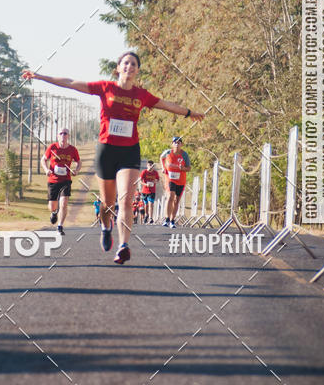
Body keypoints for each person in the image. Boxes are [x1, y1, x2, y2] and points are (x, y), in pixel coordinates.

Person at [22, 52, 203, 264]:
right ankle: (106, 226)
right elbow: (70, 83)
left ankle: (123, 246)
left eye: (134, 64)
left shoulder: (141, 95)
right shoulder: (105, 88)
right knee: (108, 204)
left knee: (125, 200)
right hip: (107, 151)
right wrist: (40, 76)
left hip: (129, 152)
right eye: (125, 63)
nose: (129, 66)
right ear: (118, 68)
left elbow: (167, 105)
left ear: (137, 70)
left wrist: (190, 113)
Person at [41, 129, 81, 236]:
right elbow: (43, 159)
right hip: (53, 180)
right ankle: (54, 212)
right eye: (61, 133)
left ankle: (60, 226)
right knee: (52, 206)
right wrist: (46, 170)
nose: (63, 135)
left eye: (65, 133)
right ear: (57, 136)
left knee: (63, 203)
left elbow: (78, 162)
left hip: (66, 180)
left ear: (68, 136)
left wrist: (76, 171)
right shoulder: (52, 147)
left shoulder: (72, 149)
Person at [160, 137, 191, 228]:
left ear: (181, 145)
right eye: (175, 142)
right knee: (170, 196)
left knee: (176, 200)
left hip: (181, 180)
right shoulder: (168, 152)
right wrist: (163, 167)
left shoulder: (184, 155)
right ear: (172, 144)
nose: (177, 144)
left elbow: (188, 168)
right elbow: (161, 157)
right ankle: (166, 219)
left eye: (179, 142)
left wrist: (183, 168)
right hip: (170, 179)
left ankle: (172, 220)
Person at [139, 159, 160, 224]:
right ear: (147, 166)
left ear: (153, 166)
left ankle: (150, 218)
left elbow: (157, 179)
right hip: (145, 191)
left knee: (151, 204)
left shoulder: (155, 173)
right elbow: (140, 181)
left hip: (152, 191)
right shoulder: (144, 172)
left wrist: (155, 181)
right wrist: (146, 184)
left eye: (151, 165)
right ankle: (146, 215)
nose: (150, 166)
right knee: (146, 204)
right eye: (149, 165)